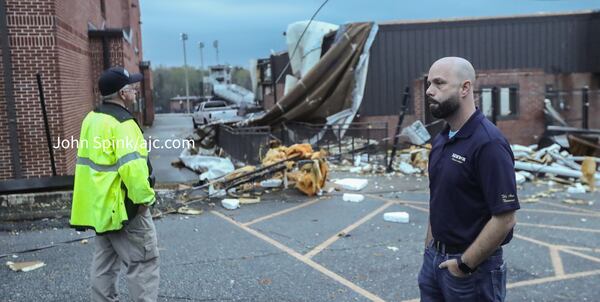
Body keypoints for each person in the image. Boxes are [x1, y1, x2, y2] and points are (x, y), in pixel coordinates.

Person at [418, 57, 520, 301]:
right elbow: (439, 198)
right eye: (429, 83)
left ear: (465, 88)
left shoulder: (488, 143)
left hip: (472, 271)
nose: (429, 91)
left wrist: (464, 265)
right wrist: (429, 250)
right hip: (434, 262)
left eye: (439, 83)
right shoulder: (442, 139)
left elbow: (505, 218)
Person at [70, 66, 159, 301]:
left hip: (102, 208)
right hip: (125, 208)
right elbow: (133, 169)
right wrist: (145, 200)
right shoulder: (123, 124)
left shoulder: (92, 118)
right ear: (122, 93)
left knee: (105, 265)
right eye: (132, 88)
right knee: (143, 263)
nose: (136, 91)